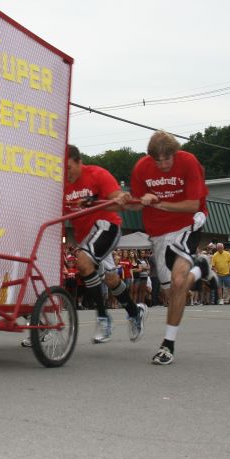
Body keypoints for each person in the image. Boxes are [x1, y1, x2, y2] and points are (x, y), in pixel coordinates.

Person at [31, 145, 146, 347]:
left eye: (69, 167)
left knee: (83, 262)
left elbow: (118, 199)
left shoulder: (97, 174)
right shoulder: (61, 186)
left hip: (106, 227)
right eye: (62, 169)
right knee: (111, 279)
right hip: (85, 237)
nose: (67, 173)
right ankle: (135, 312)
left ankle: (103, 319)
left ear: (78, 161)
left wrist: (119, 197)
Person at [130, 130, 217, 365]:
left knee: (179, 283)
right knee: (172, 292)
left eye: (167, 159)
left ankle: (167, 345)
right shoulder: (141, 168)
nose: (163, 164)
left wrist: (158, 201)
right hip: (158, 233)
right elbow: (136, 205)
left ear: (174, 153)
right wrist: (134, 201)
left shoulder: (189, 162)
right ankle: (200, 269)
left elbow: (191, 205)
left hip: (186, 225)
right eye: (158, 160)